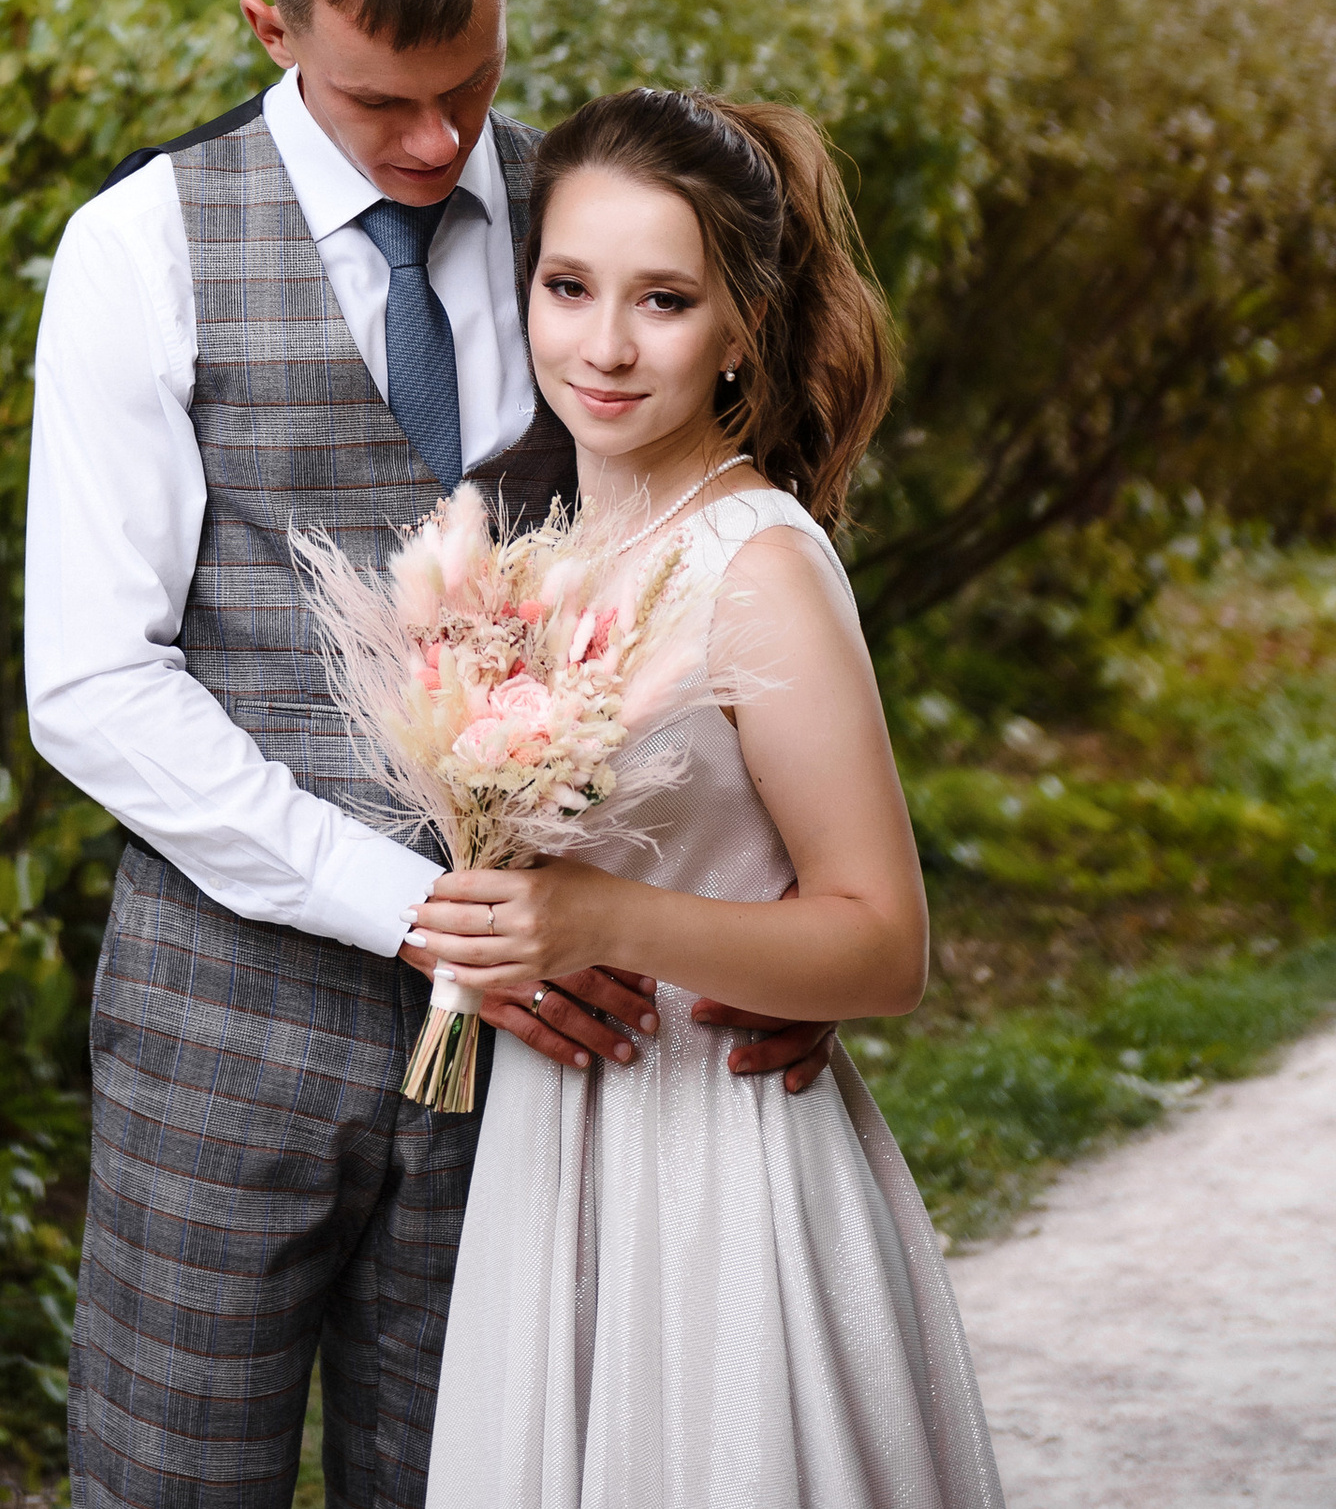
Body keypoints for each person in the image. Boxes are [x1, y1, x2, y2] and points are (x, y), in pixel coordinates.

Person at [26, 0, 834, 1509]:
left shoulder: (591, 239)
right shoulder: (145, 248)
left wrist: (762, 952)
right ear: (272, 29)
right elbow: (94, 684)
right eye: (379, 98)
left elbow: (700, 582)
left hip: (544, 1069)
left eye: (467, 82)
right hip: (222, 1028)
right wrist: (408, 911)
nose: (434, 136)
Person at [418, 86, 1004, 1509]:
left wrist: (607, 915)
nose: (603, 346)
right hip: (555, 1157)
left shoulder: (756, 565)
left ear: (742, 322)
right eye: (568, 287)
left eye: (664, 301)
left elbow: (881, 941)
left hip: (713, 1168)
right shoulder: (527, 548)